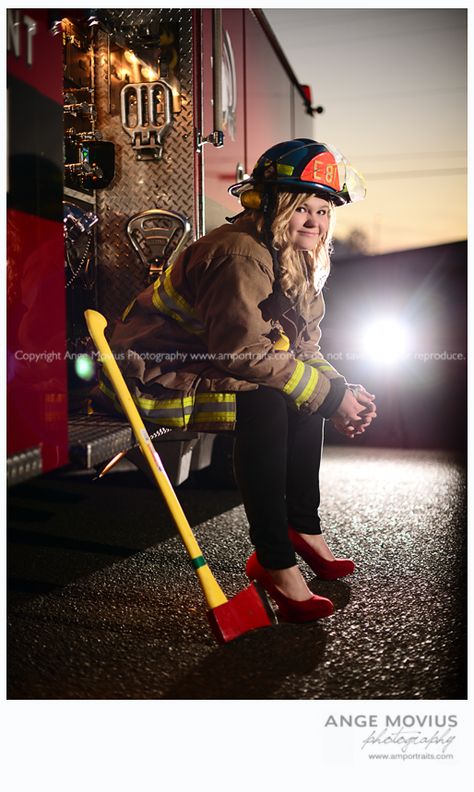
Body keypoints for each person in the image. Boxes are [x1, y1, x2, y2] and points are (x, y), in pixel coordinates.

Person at [97, 138, 377, 623]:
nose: (316, 222)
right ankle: (273, 560)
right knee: (270, 397)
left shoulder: (295, 255)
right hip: (154, 374)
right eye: (301, 208)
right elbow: (244, 356)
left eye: (324, 211)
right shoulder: (240, 256)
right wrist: (331, 398)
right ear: (268, 205)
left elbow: (304, 349)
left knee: (305, 390)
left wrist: (342, 391)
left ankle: (302, 528)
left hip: (210, 363)